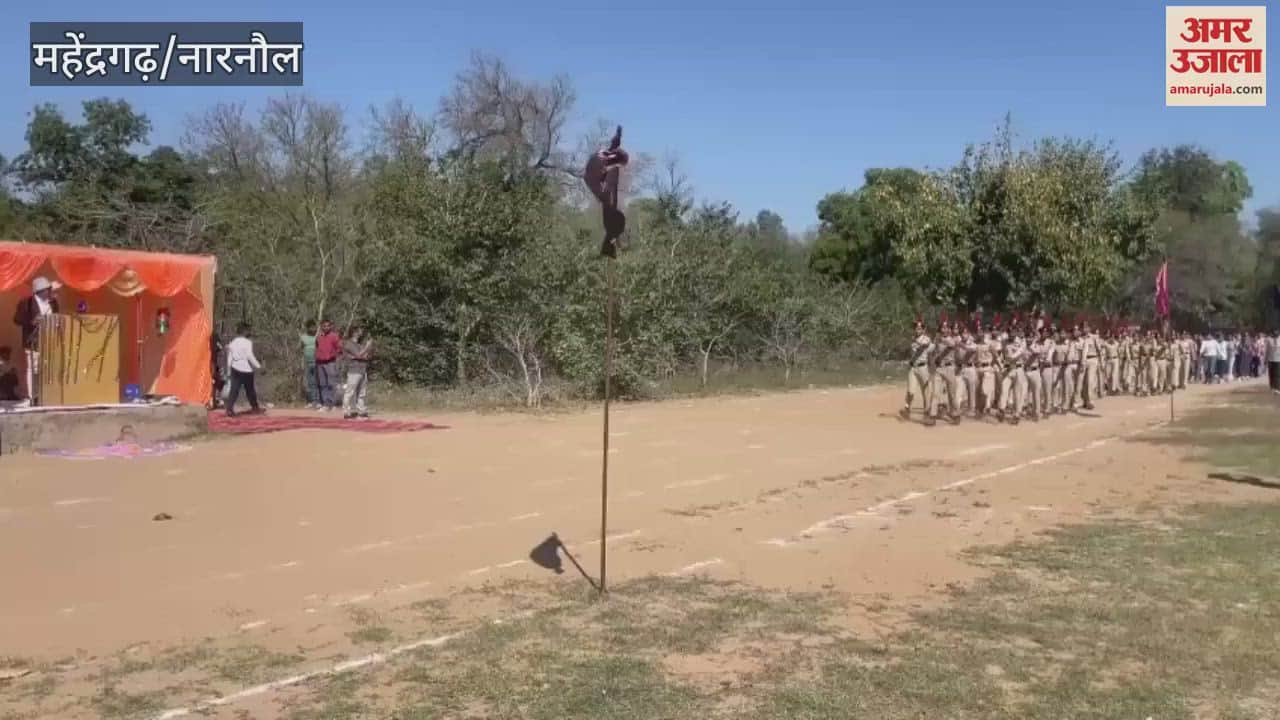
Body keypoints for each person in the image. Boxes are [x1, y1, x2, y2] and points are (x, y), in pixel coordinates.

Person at [12, 276, 60, 404]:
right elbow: (17, 320)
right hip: (33, 341)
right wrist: (32, 322)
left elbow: (57, 317)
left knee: (47, 368)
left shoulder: (53, 302)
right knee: (33, 369)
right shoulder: (26, 302)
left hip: (49, 341)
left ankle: (46, 394)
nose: (50, 291)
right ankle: (32, 396)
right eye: (48, 289)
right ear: (40, 290)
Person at [225, 323, 263, 417]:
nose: (250, 332)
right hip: (246, 369)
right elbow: (250, 356)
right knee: (250, 390)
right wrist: (259, 366)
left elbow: (230, 357)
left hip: (235, 368)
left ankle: (229, 409)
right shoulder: (248, 342)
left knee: (234, 389)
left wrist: (229, 369)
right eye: (249, 330)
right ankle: (255, 407)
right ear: (245, 332)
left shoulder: (233, 342)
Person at [900, 320, 934, 425]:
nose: (917, 329)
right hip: (913, 368)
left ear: (924, 329)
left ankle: (927, 414)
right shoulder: (912, 340)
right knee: (911, 390)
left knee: (926, 392)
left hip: (923, 367)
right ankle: (907, 408)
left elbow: (925, 345)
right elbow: (911, 352)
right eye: (916, 328)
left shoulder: (926, 338)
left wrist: (915, 340)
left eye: (919, 328)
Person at [342, 326, 374, 420]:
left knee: (361, 393)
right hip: (354, 370)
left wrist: (366, 351)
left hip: (362, 369)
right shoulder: (349, 343)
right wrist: (367, 347)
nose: (361, 333)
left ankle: (361, 411)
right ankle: (347, 412)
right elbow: (359, 355)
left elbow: (365, 356)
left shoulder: (359, 344)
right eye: (359, 331)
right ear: (354, 332)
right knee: (350, 392)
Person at [314, 320, 342, 411]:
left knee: (331, 383)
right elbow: (317, 347)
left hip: (330, 362)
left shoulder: (334, 336)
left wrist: (333, 355)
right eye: (324, 326)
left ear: (331, 326)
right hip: (320, 363)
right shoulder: (319, 337)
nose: (326, 327)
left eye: (328, 326)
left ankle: (332, 404)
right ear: (321, 327)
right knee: (322, 384)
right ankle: (325, 403)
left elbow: (339, 348)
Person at [300, 321, 319, 409]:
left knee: (318, 381)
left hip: (318, 362)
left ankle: (319, 401)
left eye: (314, 327)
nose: (313, 329)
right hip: (308, 362)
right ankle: (313, 400)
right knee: (311, 382)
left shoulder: (317, 337)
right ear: (307, 328)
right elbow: (300, 347)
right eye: (311, 327)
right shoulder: (303, 337)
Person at [210, 332, 226, 409]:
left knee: (218, 381)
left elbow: (221, 351)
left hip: (216, 364)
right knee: (214, 381)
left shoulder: (218, 346)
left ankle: (216, 399)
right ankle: (213, 399)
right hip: (213, 364)